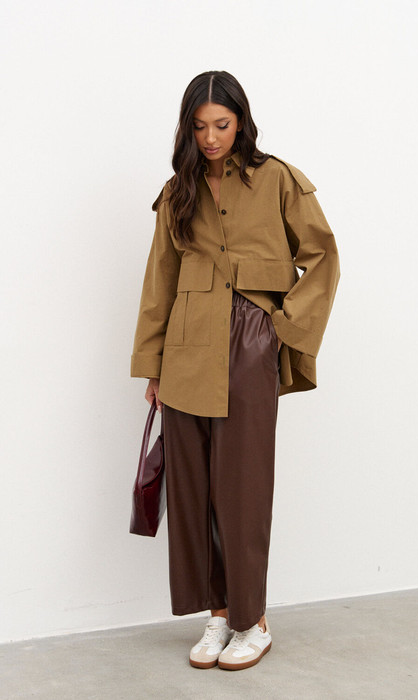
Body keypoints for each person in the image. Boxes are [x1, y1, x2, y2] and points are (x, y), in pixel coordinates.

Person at [130, 70, 340, 671]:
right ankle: (218, 615)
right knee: (193, 488)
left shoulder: (278, 179)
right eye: (199, 127)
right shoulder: (178, 190)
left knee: (242, 487)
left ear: (241, 121)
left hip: (250, 338)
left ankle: (254, 620)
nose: (211, 138)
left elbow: (323, 256)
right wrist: (154, 367)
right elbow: (160, 280)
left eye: (221, 124)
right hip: (186, 345)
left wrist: (281, 327)